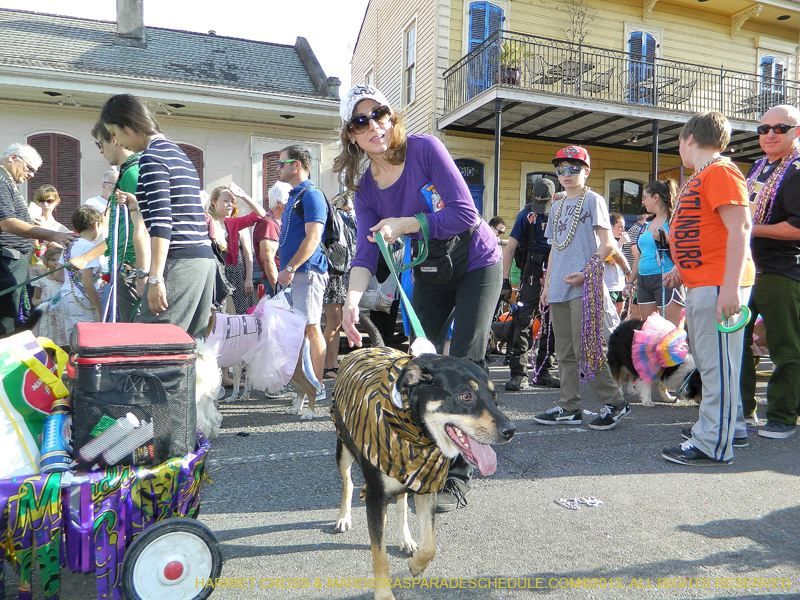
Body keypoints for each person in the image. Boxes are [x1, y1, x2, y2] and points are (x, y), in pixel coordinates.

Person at [334, 84, 502, 513]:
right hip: (430, 269)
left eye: (380, 113)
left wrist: (406, 223)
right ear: (351, 134)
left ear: (392, 116)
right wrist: (351, 301)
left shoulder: (425, 149)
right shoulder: (365, 190)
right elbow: (366, 251)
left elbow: (466, 212)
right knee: (421, 366)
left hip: (477, 261)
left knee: (466, 358)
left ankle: (455, 478)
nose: (374, 125)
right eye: (361, 120)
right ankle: (423, 457)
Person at [661, 111, 755, 466]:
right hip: (708, 281)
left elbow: (740, 228)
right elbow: (707, 234)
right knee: (714, 363)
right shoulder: (705, 174)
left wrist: (729, 289)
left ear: (689, 139)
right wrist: (681, 270)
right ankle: (732, 428)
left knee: (717, 367)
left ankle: (713, 442)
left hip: (719, 285)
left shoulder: (720, 171)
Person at [100, 94, 215, 339]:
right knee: (190, 348)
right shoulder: (178, 153)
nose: (116, 140)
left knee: (152, 345)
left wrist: (155, 278)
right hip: (203, 261)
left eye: (113, 132)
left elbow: (163, 223)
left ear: (128, 125)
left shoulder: (152, 159)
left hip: (180, 261)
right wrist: (137, 205)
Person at [534, 146, 631, 430]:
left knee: (588, 349)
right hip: (559, 287)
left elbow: (609, 244)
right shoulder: (557, 205)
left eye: (573, 168)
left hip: (584, 286)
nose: (566, 174)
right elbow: (553, 250)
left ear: (586, 171)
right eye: (561, 169)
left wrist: (587, 273)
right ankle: (569, 406)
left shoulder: (594, 200)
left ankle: (615, 402)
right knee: (563, 352)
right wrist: (547, 284)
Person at [740, 105, 800, 439]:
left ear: (797, 131)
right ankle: (743, 410)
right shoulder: (758, 166)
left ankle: (781, 416)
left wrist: (750, 229)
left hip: (781, 271)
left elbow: (797, 228)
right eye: (763, 129)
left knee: (784, 348)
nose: (770, 134)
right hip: (747, 270)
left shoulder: (797, 169)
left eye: (780, 128)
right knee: (736, 340)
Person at [70, 120, 148, 323]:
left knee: (134, 332)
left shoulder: (132, 173)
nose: (100, 151)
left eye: (100, 144)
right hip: (124, 265)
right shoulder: (127, 171)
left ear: (115, 140)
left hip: (131, 265)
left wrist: (86, 258)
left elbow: (137, 230)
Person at [0, 143, 77, 335]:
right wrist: (52, 234)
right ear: (13, 158)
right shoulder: (1, 179)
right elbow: (7, 222)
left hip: (14, 259)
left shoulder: (7, 181)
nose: (32, 174)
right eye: (30, 168)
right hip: (6, 258)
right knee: (6, 321)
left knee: (13, 317)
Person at [276, 145, 329, 384]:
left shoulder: (311, 194)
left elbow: (314, 237)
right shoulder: (296, 195)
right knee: (301, 332)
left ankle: (316, 389)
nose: (277, 168)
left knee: (311, 328)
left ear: (296, 165)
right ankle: (304, 388)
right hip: (298, 273)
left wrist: (289, 268)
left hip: (306, 273)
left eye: (281, 163)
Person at [502, 178, 560, 391]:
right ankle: (519, 374)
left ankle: (545, 370)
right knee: (524, 320)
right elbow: (510, 248)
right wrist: (505, 281)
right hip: (533, 271)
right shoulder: (525, 214)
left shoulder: (561, 211)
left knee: (552, 322)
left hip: (556, 271)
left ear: (553, 198)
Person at [624, 180, 684, 326]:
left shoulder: (674, 220)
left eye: (645, 197)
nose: (643, 201)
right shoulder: (647, 224)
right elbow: (639, 255)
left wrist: (667, 239)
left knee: (670, 329)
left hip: (666, 277)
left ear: (655, 197)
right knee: (649, 329)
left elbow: (684, 246)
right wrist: (631, 282)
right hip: (644, 280)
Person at [206, 183, 266, 314]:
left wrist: (243, 195)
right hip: (213, 275)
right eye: (226, 201)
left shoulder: (232, 223)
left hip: (234, 275)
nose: (230, 204)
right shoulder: (206, 221)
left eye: (232, 201)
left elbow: (261, 214)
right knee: (214, 314)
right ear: (214, 202)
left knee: (235, 315)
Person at [322, 191, 357, 380]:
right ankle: (328, 365)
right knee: (334, 323)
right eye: (349, 208)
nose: (351, 212)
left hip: (339, 274)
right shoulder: (342, 219)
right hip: (335, 276)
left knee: (334, 323)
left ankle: (331, 364)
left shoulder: (336, 220)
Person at [60, 206, 105, 338]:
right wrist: (98, 307)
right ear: (95, 225)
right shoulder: (89, 247)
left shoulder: (69, 244)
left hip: (67, 297)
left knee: (73, 338)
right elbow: (86, 280)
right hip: (82, 299)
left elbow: (60, 274)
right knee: (87, 338)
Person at [254, 182, 290, 298]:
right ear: (280, 203)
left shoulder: (278, 222)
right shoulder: (268, 224)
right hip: (277, 282)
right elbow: (268, 259)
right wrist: (277, 289)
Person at [30, 246, 68, 348]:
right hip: (48, 317)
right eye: (53, 260)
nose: (56, 263)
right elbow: (35, 298)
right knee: (47, 345)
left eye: (59, 260)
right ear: (45, 262)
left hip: (63, 315)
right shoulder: (42, 280)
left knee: (65, 344)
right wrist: (37, 301)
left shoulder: (67, 280)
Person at [605, 213, 631, 316]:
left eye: (623, 227)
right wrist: (620, 244)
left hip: (621, 286)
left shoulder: (616, 242)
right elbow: (612, 261)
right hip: (610, 287)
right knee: (611, 318)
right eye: (619, 227)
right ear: (611, 227)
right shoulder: (607, 243)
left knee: (619, 317)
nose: (622, 230)